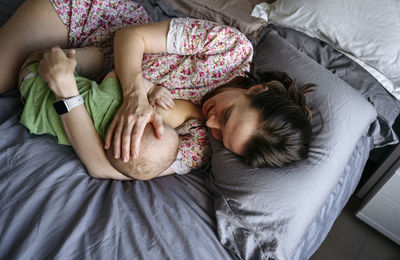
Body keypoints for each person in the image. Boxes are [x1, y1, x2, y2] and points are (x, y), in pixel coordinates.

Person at [0, 0, 313, 179]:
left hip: (85, 73)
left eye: (223, 138)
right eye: (227, 115)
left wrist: (66, 95)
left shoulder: (199, 147)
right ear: (255, 90)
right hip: (101, 25)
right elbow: (129, 36)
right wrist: (136, 94)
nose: (211, 123)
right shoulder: (230, 49)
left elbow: (101, 166)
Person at [18, 48, 207, 180]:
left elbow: (113, 75)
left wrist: (150, 91)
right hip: (32, 110)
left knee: (97, 56)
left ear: (149, 121)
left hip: (36, 73)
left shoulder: (116, 97)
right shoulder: (97, 142)